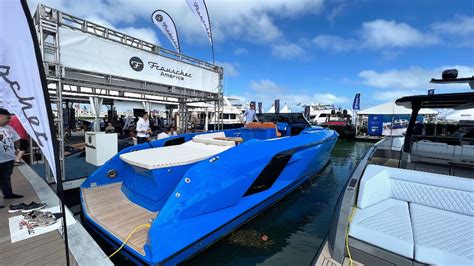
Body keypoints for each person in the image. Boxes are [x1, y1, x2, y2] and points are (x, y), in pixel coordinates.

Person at [0, 108, 23, 208]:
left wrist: (17, 148)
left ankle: (8, 194)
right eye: (7, 118)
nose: (9, 120)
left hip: (8, 159)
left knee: (6, 177)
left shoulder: (9, 128)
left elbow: (16, 138)